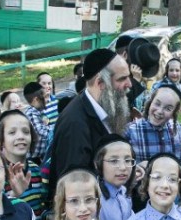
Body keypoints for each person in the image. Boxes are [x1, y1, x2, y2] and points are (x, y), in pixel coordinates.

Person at [48, 48, 132, 192]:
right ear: (100, 83)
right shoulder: (74, 125)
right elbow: (75, 186)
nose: (129, 84)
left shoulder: (106, 107)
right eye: (122, 79)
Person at [0, 109, 46, 216]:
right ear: (0, 141)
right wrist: (14, 194)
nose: (20, 136)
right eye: (12, 132)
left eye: (26, 132)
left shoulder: (36, 170)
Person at [126, 82, 181, 167]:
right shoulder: (131, 130)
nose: (160, 111)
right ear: (150, 102)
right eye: (157, 104)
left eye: (168, 108)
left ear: (173, 113)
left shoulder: (179, 131)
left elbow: (180, 164)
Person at [21, 82, 52, 163]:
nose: (47, 100)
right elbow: (42, 132)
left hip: (41, 155)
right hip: (33, 158)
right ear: (36, 100)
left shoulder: (38, 111)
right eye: (45, 97)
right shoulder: (31, 114)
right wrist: (57, 129)